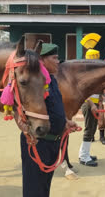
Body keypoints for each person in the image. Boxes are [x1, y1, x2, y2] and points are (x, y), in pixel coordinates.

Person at [20, 43, 78, 197]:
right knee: (34, 189)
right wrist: (24, 127)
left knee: (44, 187)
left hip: (53, 142)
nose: (58, 61)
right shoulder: (34, 83)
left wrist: (65, 121)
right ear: (42, 60)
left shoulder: (51, 80)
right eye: (55, 58)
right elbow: (17, 106)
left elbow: (54, 106)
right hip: (38, 142)